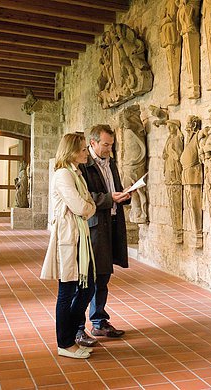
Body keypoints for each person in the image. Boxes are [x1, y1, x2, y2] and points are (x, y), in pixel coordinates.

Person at [40, 133, 96, 359]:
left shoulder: (76, 173)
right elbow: (82, 207)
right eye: (82, 149)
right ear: (71, 151)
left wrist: (87, 206)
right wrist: (87, 207)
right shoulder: (63, 174)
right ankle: (64, 342)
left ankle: (70, 335)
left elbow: (87, 203)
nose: (85, 153)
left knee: (87, 287)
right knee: (67, 292)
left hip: (80, 238)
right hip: (69, 238)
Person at [76, 124, 131, 346]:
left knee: (104, 276)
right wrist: (110, 198)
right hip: (95, 225)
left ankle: (99, 322)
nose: (109, 148)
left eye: (111, 145)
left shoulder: (111, 162)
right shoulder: (84, 165)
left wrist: (125, 194)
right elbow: (85, 196)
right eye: (106, 144)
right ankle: (78, 328)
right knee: (88, 278)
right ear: (93, 143)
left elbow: (113, 188)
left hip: (112, 223)